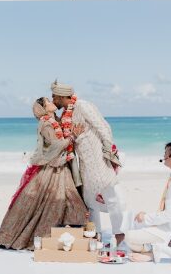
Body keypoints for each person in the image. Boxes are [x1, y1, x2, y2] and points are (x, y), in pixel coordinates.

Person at [0, 97, 88, 250]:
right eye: (48, 102)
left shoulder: (55, 119)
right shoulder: (45, 124)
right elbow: (55, 146)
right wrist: (73, 137)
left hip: (61, 165)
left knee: (69, 198)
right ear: (43, 108)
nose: (52, 102)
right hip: (51, 167)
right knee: (51, 200)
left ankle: (70, 234)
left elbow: (63, 135)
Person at [50, 80, 126, 245]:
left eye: (54, 97)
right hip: (84, 164)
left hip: (98, 160)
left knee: (111, 196)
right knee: (89, 202)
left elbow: (103, 127)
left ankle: (119, 234)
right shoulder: (64, 115)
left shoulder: (83, 106)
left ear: (61, 96)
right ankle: (95, 236)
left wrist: (108, 151)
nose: (53, 100)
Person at [125, 141, 171, 267]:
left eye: (165, 154)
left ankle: (153, 253)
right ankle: (152, 247)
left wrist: (146, 217)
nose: (163, 157)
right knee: (136, 223)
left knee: (129, 236)